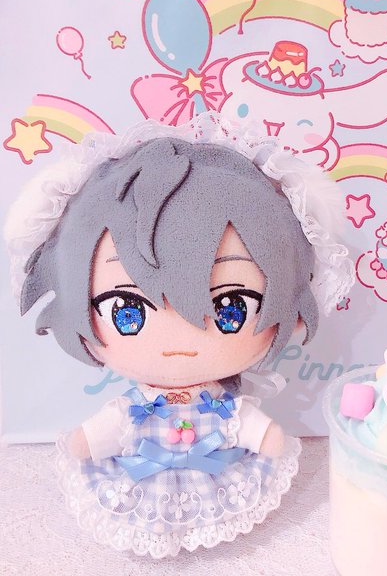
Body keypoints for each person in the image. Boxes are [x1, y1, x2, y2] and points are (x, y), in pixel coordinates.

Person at [6, 113, 353, 557]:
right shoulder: (138, 408)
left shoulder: (221, 405)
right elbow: (107, 430)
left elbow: (250, 428)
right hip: (141, 477)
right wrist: (87, 442)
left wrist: (263, 437)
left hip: (219, 477)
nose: (181, 338)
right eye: (128, 311)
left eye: (230, 307)